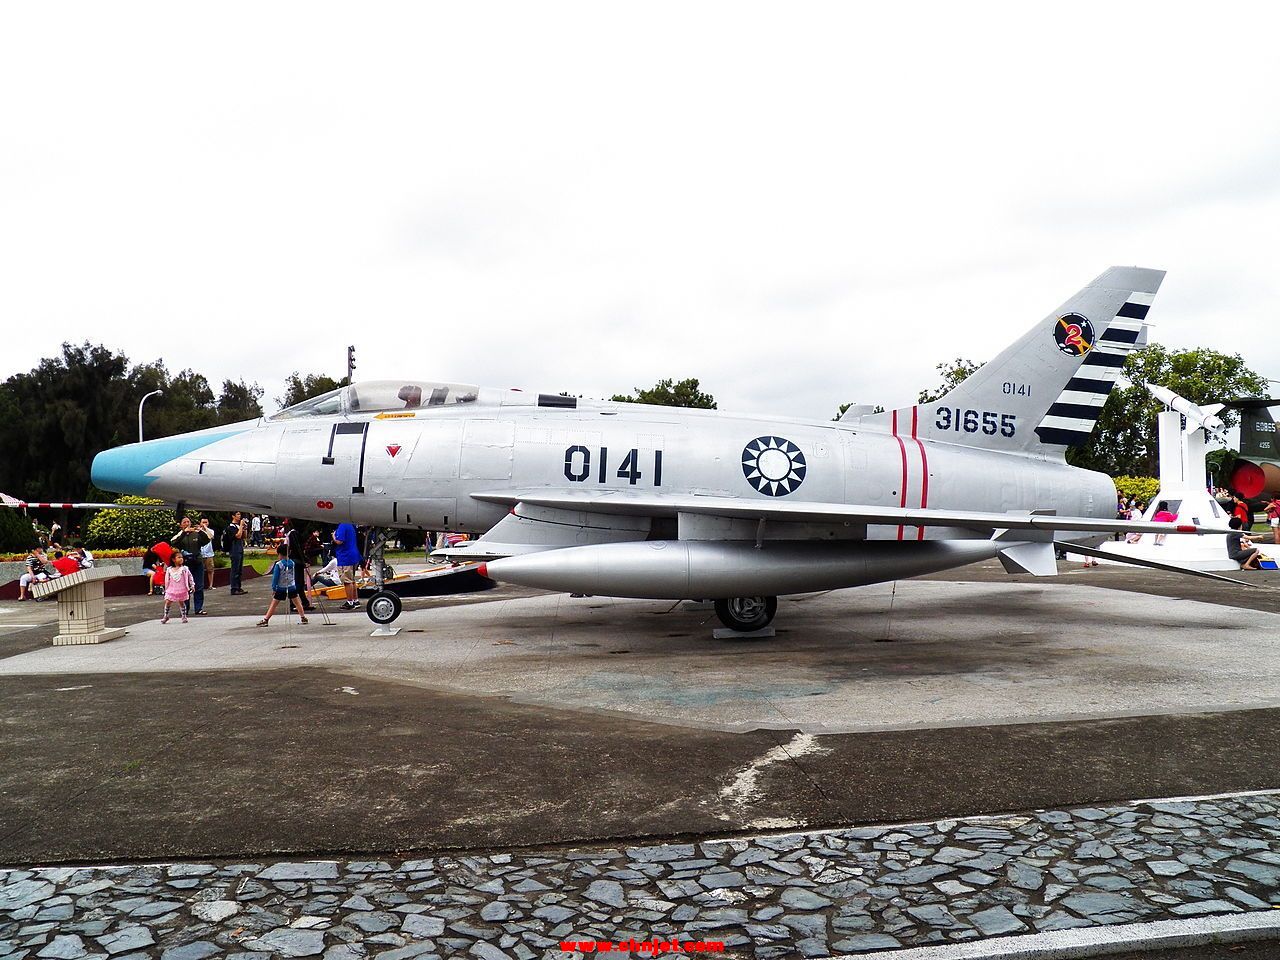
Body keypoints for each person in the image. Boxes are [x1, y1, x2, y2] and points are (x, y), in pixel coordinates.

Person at [257, 543, 309, 626]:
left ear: (280, 554)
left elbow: (275, 578)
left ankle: (266, 619)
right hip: (291, 586)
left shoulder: (279, 564)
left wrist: (274, 588)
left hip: (281, 587)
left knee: (274, 604)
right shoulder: (292, 563)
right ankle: (303, 617)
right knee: (297, 602)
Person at [169, 517, 212, 615]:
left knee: (199, 585)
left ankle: (198, 608)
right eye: (184, 522)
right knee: (185, 586)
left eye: (188, 522)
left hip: (197, 562)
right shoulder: (180, 535)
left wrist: (200, 531)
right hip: (186, 564)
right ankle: (185, 608)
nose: (187, 523)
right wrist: (184, 532)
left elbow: (206, 540)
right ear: (181, 525)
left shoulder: (195, 534)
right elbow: (174, 543)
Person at [332, 520, 362, 610]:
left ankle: (350, 602)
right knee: (352, 580)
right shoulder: (350, 525)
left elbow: (339, 541)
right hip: (353, 554)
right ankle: (355, 600)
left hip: (345, 556)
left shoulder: (342, 525)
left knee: (347, 581)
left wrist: (333, 535)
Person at [162, 552, 196, 623]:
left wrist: (192, 585)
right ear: (173, 559)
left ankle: (184, 616)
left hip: (182, 589)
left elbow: (190, 577)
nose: (181, 559)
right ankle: (166, 616)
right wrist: (165, 588)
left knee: (181, 602)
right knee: (168, 601)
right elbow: (166, 579)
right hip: (171, 589)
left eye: (182, 557)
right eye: (179, 557)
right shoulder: (169, 569)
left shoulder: (184, 569)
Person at [225, 511, 249, 594]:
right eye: (238, 514)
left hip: (240, 548)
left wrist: (244, 528)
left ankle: (238, 587)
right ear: (233, 516)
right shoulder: (231, 527)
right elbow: (238, 536)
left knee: (239, 569)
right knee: (235, 569)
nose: (239, 516)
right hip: (234, 549)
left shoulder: (239, 526)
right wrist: (241, 526)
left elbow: (244, 536)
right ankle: (234, 588)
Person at [199, 518, 217, 590]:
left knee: (210, 569)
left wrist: (205, 528)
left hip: (209, 554)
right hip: (200, 553)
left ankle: (210, 585)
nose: (204, 523)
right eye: (203, 522)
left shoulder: (211, 531)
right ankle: (200, 585)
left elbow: (211, 536)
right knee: (200, 570)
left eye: (206, 522)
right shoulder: (198, 531)